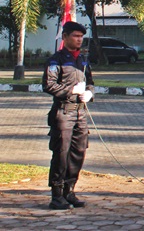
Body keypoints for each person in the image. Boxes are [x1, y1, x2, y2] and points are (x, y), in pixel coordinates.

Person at [42, 21, 94, 210]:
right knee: (61, 153)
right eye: (75, 36)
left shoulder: (83, 60)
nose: (79, 40)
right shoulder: (56, 60)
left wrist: (89, 93)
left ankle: (69, 190)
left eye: (81, 37)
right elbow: (49, 85)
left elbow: (90, 82)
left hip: (80, 112)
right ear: (65, 37)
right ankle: (56, 194)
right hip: (63, 111)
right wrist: (71, 90)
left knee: (78, 152)